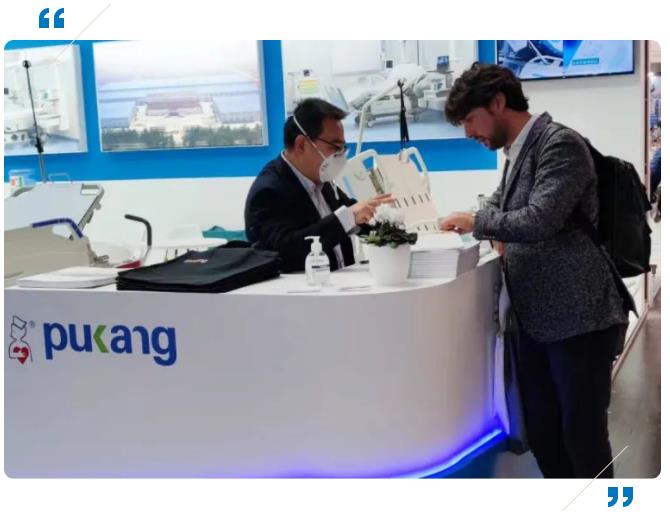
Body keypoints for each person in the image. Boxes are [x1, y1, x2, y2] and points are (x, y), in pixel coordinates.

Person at [440, 63, 631, 478]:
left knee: (582, 436)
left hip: (579, 317)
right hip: (538, 321)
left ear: (497, 102)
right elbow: (498, 204)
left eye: (470, 119)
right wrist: (488, 220)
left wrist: (478, 222)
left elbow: (539, 219)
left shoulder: (559, 144)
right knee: (544, 433)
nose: (469, 132)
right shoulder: (518, 152)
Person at [245, 98, 393, 272]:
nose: (340, 157)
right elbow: (285, 251)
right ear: (301, 145)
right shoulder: (268, 191)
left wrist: (388, 222)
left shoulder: (321, 179)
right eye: (335, 147)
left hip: (341, 281)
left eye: (343, 149)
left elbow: (354, 214)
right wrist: (348, 216)